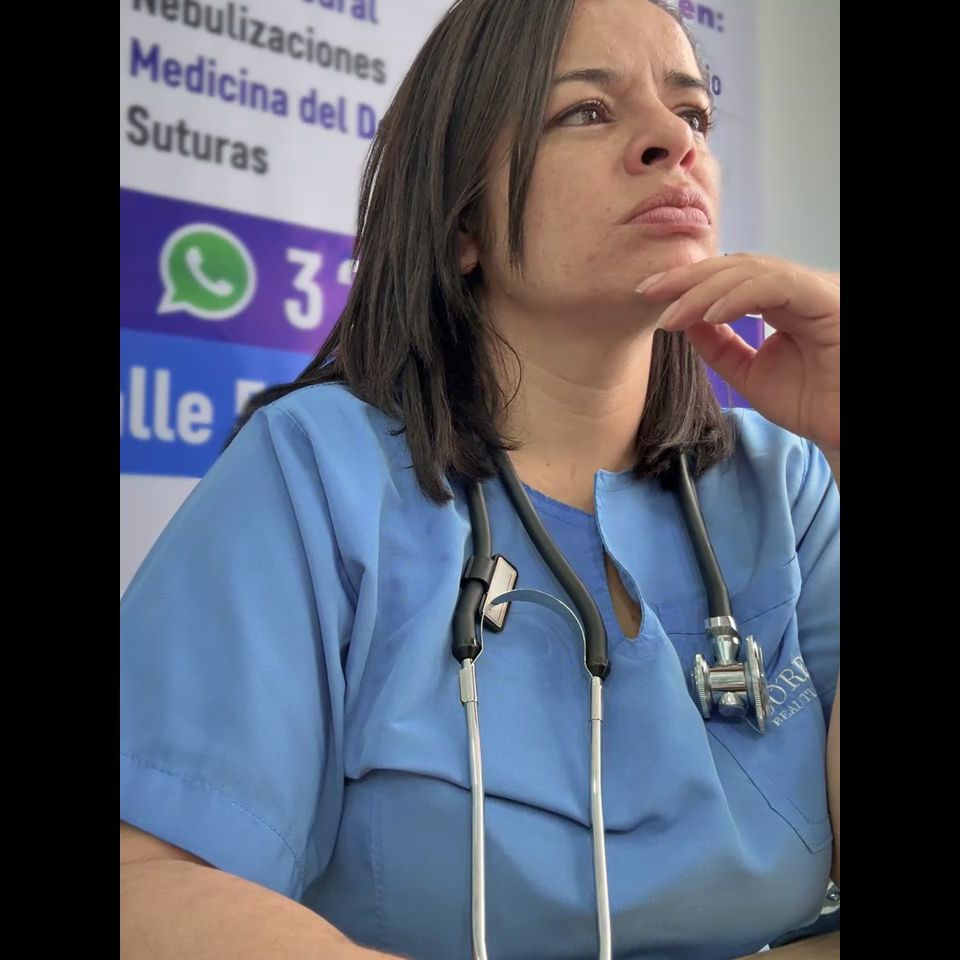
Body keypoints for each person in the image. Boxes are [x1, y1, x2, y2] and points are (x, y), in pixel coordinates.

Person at [120, 1, 840, 957]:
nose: (674, 141)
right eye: (588, 111)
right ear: (464, 220)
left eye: (694, 113)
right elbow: (148, 882)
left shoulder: (787, 485)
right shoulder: (316, 472)